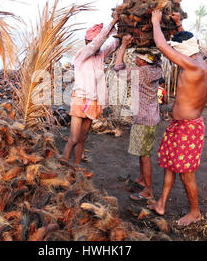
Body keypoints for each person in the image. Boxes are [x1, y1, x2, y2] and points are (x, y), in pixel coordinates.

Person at [148, 9, 207, 226]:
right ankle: (161, 204)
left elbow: (163, 46)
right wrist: (178, 23)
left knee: (186, 174)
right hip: (180, 125)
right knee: (170, 166)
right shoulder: (198, 59)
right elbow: (187, 43)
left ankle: (195, 212)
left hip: (188, 128)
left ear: (183, 52)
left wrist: (156, 22)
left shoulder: (192, 66)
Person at [61, 12, 127, 167]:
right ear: (86, 41)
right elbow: (98, 42)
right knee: (73, 139)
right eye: (92, 41)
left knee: (83, 139)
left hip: (93, 100)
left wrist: (121, 28)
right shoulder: (82, 54)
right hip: (80, 99)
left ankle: (76, 167)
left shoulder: (100, 55)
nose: (96, 45)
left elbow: (113, 44)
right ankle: (63, 165)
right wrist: (112, 21)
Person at [113, 38, 163, 201]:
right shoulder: (156, 69)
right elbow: (157, 60)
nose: (135, 59)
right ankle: (142, 179)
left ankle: (148, 190)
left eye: (137, 57)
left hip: (143, 118)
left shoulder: (141, 73)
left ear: (143, 60)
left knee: (144, 155)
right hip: (151, 117)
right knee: (144, 152)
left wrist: (124, 46)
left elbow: (118, 68)